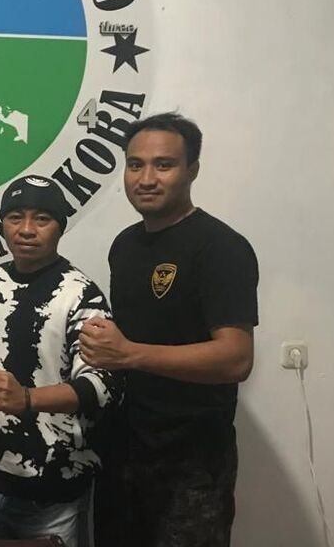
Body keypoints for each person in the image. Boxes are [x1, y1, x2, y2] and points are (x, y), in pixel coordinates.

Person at [83, 112, 258, 547]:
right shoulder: (125, 244)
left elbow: (236, 358)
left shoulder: (221, 248)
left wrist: (129, 353)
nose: (146, 178)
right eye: (135, 164)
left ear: (192, 170)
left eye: (164, 165)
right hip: (124, 450)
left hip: (192, 463)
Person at [0, 175, 122, 546]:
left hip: (53, 494)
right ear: (2, 224)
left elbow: (103, 387)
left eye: (42, 219)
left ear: (60, 227)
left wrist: (27, 399)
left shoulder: (81, 294)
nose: (26, 229)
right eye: (15, 217)